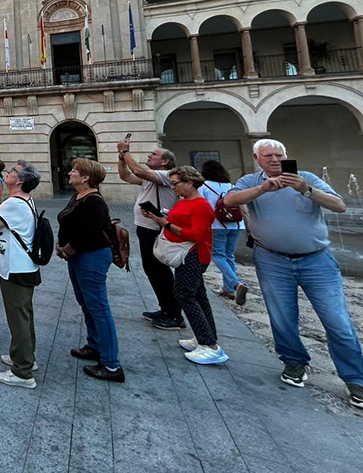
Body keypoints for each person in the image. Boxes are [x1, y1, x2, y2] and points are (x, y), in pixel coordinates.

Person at [225, 139, 363, 408]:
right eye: (268, 156)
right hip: (272, 260)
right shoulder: (251, 180)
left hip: (316, 260)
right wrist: (262, 189)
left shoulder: (306, 178)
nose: (274, 159)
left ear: (287, 155)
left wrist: (307, 190)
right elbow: (230, 200)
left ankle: (355, 378)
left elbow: (339, 206)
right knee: (282, 318)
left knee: (337, 321)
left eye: (279, 154)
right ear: (257, 158)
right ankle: (294, 362)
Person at [143, 166, 227, 365]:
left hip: (194, 254)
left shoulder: (201, 205)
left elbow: (197, 235)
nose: (172, 187)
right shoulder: (185, 201)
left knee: (184, 294)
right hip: (186, 252)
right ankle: (205, 336)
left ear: (189, 182)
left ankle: (210, 346)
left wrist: (166, 224)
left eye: (175, 183)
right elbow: (176, 220)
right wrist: (158, 218)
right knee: (198, 295)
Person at [57, 159, 124, 383]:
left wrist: (66, 250)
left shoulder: (94, 201)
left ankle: (112, 365)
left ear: (86, 177)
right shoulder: (78, 197)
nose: (70, 172)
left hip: (91, 257)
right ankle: (95, 346)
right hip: (78, 257)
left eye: (75, 171)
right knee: (86, 303)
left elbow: (89, 234)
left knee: (98, 306)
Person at [0, 161, 41, 388]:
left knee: (18, 319)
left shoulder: (13, 203)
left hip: (15, 268)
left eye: (13, 171)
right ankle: (26, 356)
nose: (9, 172)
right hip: (25, 267)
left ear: (20, 181)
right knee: (24, 316)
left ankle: (23, 372)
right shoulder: (27, 201)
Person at [117, 140, 183, 330]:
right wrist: (121, 158)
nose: (149, 156)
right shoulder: (151, 177)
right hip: (146, 227)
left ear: (164, 162)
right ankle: (165, 308)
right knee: (152, 269)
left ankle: (174, 314)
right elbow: (126, 176)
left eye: (154, 155)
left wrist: (126, 151)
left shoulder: (166, 175)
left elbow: (137, 171)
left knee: (160, 270)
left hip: (157, 229)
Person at [199, 160, 248, 305]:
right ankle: (228, 288)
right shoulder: (231, 186)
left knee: (218, 255)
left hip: (217, 224)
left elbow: (203, 206)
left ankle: (236, 284)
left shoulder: (204, 186)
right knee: (229, 255)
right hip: (236, 224)